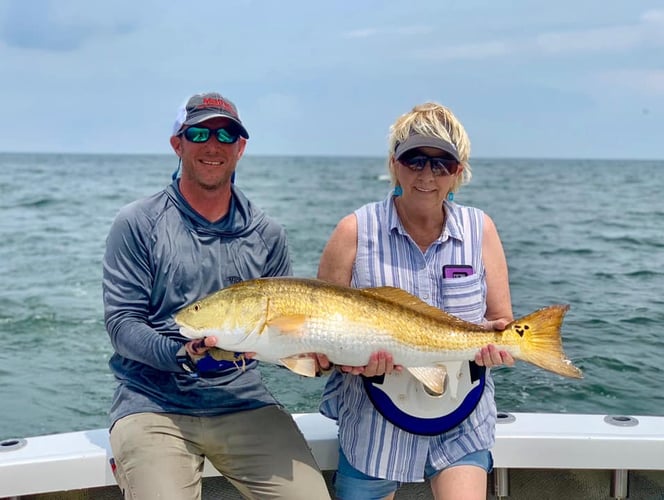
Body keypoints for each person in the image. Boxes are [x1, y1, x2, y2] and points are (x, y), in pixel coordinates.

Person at [103, 92, 330, 500]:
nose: (213, 145)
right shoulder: (137, 223)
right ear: (178, 143)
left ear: (240, 148)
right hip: (152, 403)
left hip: (243, 401)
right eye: (199, 133)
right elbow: (122, 324)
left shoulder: (267, 234)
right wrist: (181, 355)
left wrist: (324, 356)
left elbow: (283, 336)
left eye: (226, 136)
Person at [316, 102, 515, 500]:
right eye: (415, 160)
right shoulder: (354, 231)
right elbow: (321, 333)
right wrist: (347, 359)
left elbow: (500, 320)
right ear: (394, 164)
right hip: (373, 425)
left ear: (459, 172)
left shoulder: (481, 230)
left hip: (462, 419)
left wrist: (499, 345)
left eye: (442, 164)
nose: (427, 175)